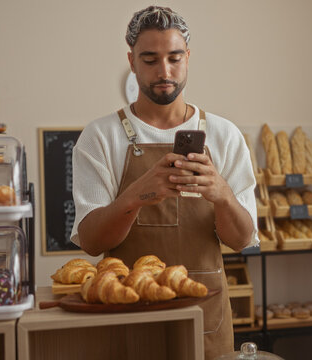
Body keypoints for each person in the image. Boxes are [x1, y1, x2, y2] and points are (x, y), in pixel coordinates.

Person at [70, 6, 258, 359]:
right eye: (150, 59)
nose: (164, 71)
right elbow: (93, 242)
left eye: (174, 58)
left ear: (188, 57)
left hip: (206, 317)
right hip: (128, 317)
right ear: (132, 61)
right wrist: (136, 196)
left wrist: (222, 196)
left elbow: (242, 240)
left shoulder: (224, 135)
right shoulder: (100, 136)